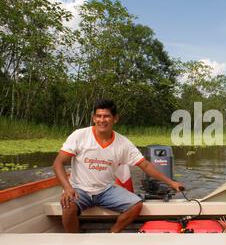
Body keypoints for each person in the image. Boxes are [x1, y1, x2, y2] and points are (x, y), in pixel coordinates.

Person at [53, 99, 184, 233]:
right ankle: (76, 242)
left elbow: (144, 164)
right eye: (98, 116)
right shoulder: (80, 135)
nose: (102, 120)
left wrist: (171, 183)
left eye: (106, 116)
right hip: (79, 189)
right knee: (68, 206)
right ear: (93, 118)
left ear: (115, 119)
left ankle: (112, 234)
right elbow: (58, 163)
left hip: (105, 190)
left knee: (136, 205)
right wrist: (68, 188)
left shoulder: (123, 143)